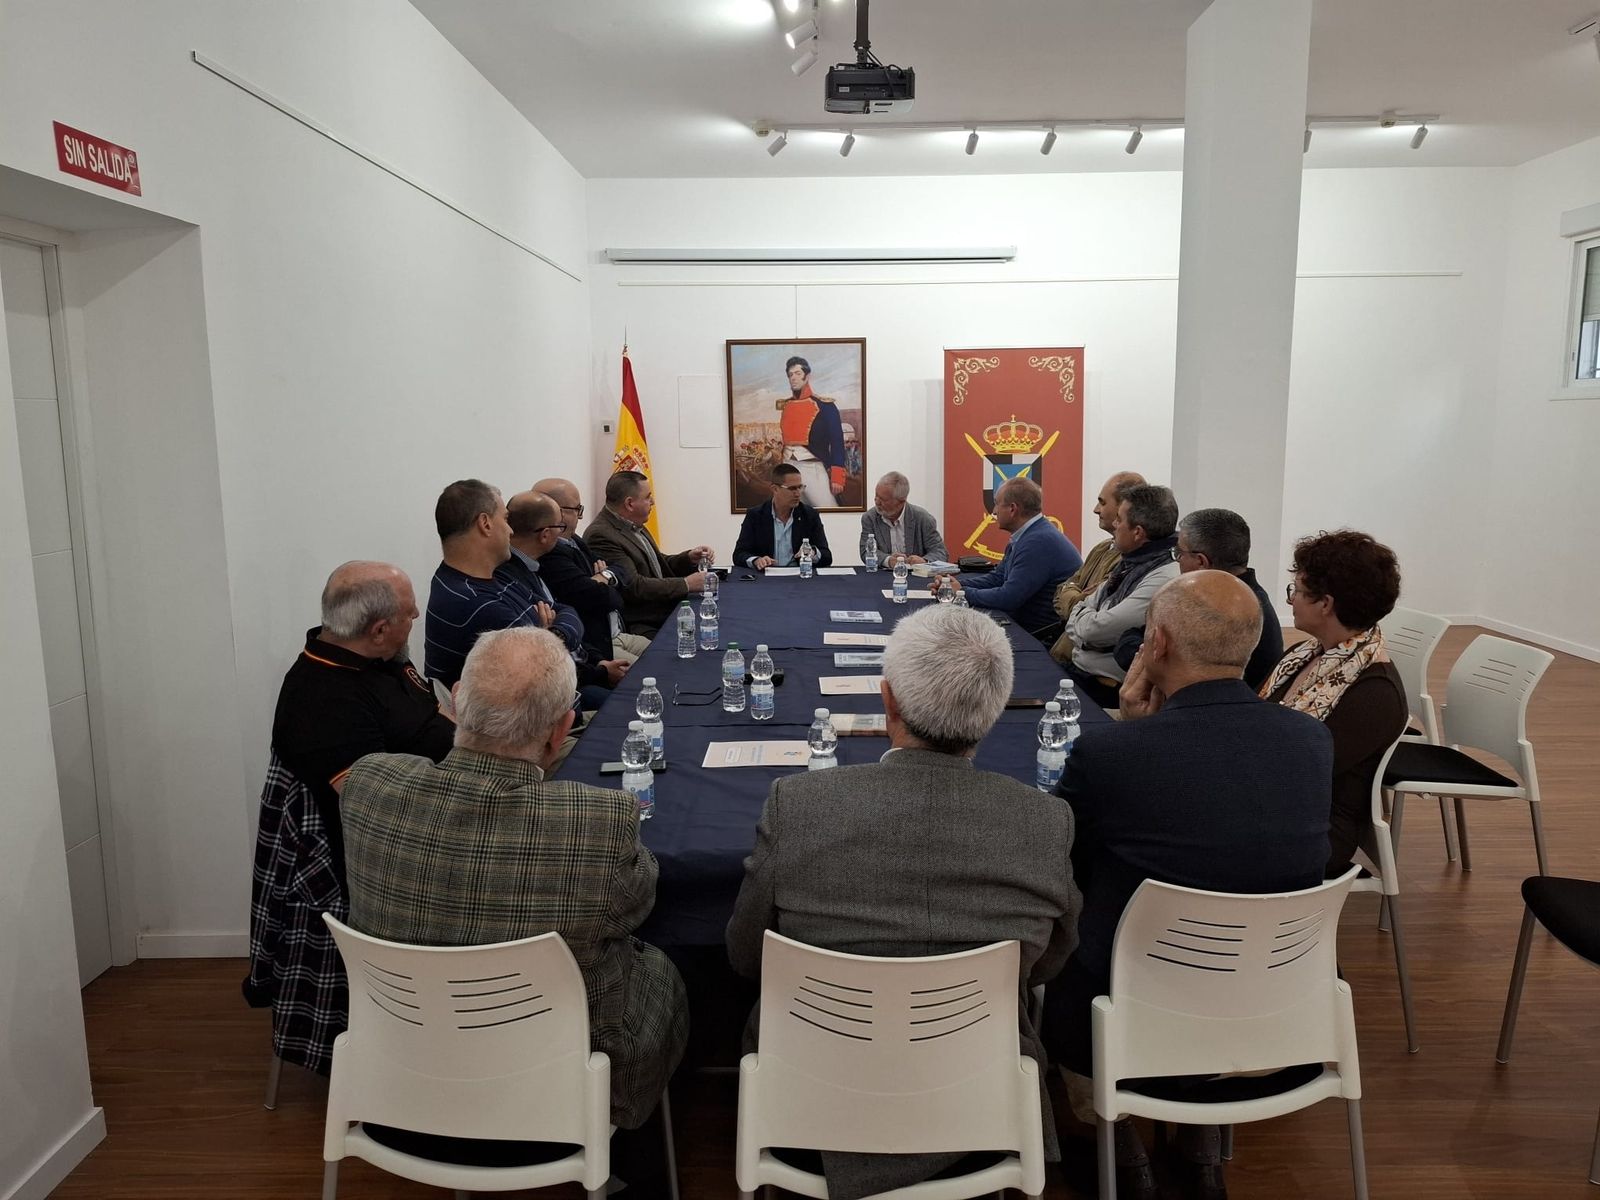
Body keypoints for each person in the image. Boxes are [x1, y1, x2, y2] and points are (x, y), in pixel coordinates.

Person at [727, 604, 1081, 1200]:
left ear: (887, 701)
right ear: (995, 713)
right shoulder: (1044, 821)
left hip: (811, 1096)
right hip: (979, 1095)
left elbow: (745, 955)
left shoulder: (798, 804)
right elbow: (1049, 962)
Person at [341, 626, 689, 1171]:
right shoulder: (598, 823)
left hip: (401, 1075)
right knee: (663, 964)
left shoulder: (369, 785)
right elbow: (638, 903)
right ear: (562, 730)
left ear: (456, 702)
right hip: (563, 1090)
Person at [1042, 572, 1332, 1199]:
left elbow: (1065, 858)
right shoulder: (1311, 741)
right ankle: (1200, 1151)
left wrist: (1129, 723)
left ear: (1158, 642)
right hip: (1276, 1002)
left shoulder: (1114, 756)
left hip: (1131, 1003)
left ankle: (1115, 1148)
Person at [271, 560, 456, 884]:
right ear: (379, 630)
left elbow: (433, 708)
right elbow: (377, 808)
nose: (415, 616)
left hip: (444, 801)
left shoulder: (383, 655)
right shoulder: (322, 701)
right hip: (398, 860)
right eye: (409, 612)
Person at [1259, 530, 1408, 874]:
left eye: (1296, 591)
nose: (1290, 600)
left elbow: (1302, 770)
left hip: (1314, 829)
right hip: (1276, 801)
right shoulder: (1306, 653)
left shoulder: (1375, 693)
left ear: (1325, 604)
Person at [1112, 507, 1284, 690]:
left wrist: (1144, 652)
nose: (1176, 559)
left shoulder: (1218, 609)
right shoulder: (1237, 597)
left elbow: (1164, 665)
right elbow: (1135, 637)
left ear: (1201, 562)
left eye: (1179, 552)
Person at [423, 479, 567, 690]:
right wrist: (549, 642)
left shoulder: (477, 577)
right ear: (485, 524)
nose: (510, 530)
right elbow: (550, 678)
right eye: (506, 519)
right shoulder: (476, 604)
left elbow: (564, 610)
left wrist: (550, 636)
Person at [1061, 483, 1181, 708]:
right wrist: (1085, 626)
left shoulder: (1163, 577)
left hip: (1106, 692)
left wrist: (1083, 629)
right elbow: (1083, 609)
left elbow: (1094, 630)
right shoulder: (1130, 561)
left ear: (1137, 532)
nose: (1114, 524)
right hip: (1081, 675)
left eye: (1120, 519)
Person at [505, 490, 628, 707]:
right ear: (544, 535)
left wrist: (603, 577)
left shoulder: (538, 562)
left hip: (588, 659)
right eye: (558, 527)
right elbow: (547, 650)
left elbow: (565, 612)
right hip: (570, 687)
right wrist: (599, 670)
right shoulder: (520, 571)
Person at [531, 477, 652, 662]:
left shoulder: (574, 540)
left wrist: (603, 576)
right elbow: (605, 598)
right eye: (577, 509)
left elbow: (621, 572)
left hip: (617, 633)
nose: (580, 516)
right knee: (651, 672)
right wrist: (607, 581)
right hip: (598, 644)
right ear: (558, 511)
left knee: (666, 656)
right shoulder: (551, 554)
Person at [947, 477, 1082, 640]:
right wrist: (957, 585)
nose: (994, 511)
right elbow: (998, 578)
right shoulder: (1028, 535)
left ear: (1012, 509)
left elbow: (1008, 598)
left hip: (1040, 639)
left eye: (997, 503)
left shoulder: (1038, 542)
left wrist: (962, 593)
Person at [584, 470, 713, 636]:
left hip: (664, 610)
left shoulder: (632, 523)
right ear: (630, 504)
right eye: (647, 497)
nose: (652, 502)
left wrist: (688, 558)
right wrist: (686, 584)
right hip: (643, 623)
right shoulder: (601, 535)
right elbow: (634, 586)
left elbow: (655, 564)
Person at [1049, 471, 1145, 663]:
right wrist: (1074, 593)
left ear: (1123, 507)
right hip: (1063, 655)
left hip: (1080, 663)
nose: (1095, 510)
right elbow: (1063, 591)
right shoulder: (1101, 548)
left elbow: (1089, 608)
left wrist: (1074, 594)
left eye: (1102, 502)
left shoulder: (1128, 561)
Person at [776, 354, 847, 508]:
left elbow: (837, 442)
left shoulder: (825, 406)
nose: (793, 378)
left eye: (797, 374)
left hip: (813, 468)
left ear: (807, 376)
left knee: (828, 510)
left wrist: (836, 476)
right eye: (790, 375)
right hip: (788, 467)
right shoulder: (786, 406)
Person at [733, 463, 834, 569]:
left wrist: (812, 553)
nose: (798, 493)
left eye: (800, 487)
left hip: (799, 578)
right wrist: (756, 560)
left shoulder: (809, 515)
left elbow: (827, 556)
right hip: (767, 578)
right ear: (775, 489)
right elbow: (739, 554)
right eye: (792, 488)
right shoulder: (756, 515)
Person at [858, 470, 948, 565]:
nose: (877, 502)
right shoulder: (870, 518)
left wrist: (924, 561)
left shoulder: (923, 519)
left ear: (901, 501)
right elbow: (865, 551)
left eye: (883, 499)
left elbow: (941, 552)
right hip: (882, 576)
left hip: (916, 577)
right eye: (876, 496)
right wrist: (888, 560)